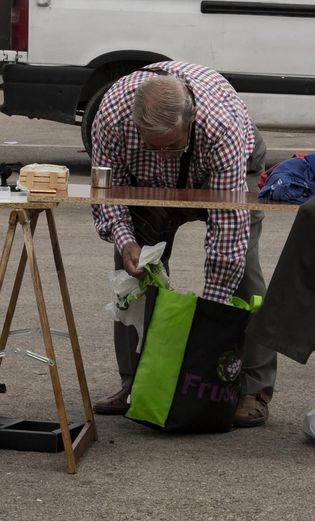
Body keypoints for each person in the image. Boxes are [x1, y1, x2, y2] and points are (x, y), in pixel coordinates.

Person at [89, 62, 276, 428]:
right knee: (136, 269)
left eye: (170, 146)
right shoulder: (112, 115)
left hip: (222, 171)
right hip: (146, 183)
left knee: (241, 270)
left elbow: (227, 234)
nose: (161, 155)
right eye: (150, 146)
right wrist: (125, 239)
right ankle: (136, 380)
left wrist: (211, 323)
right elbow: (107, 191)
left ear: (191, 119)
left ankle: (252, 386)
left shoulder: (222, 128)